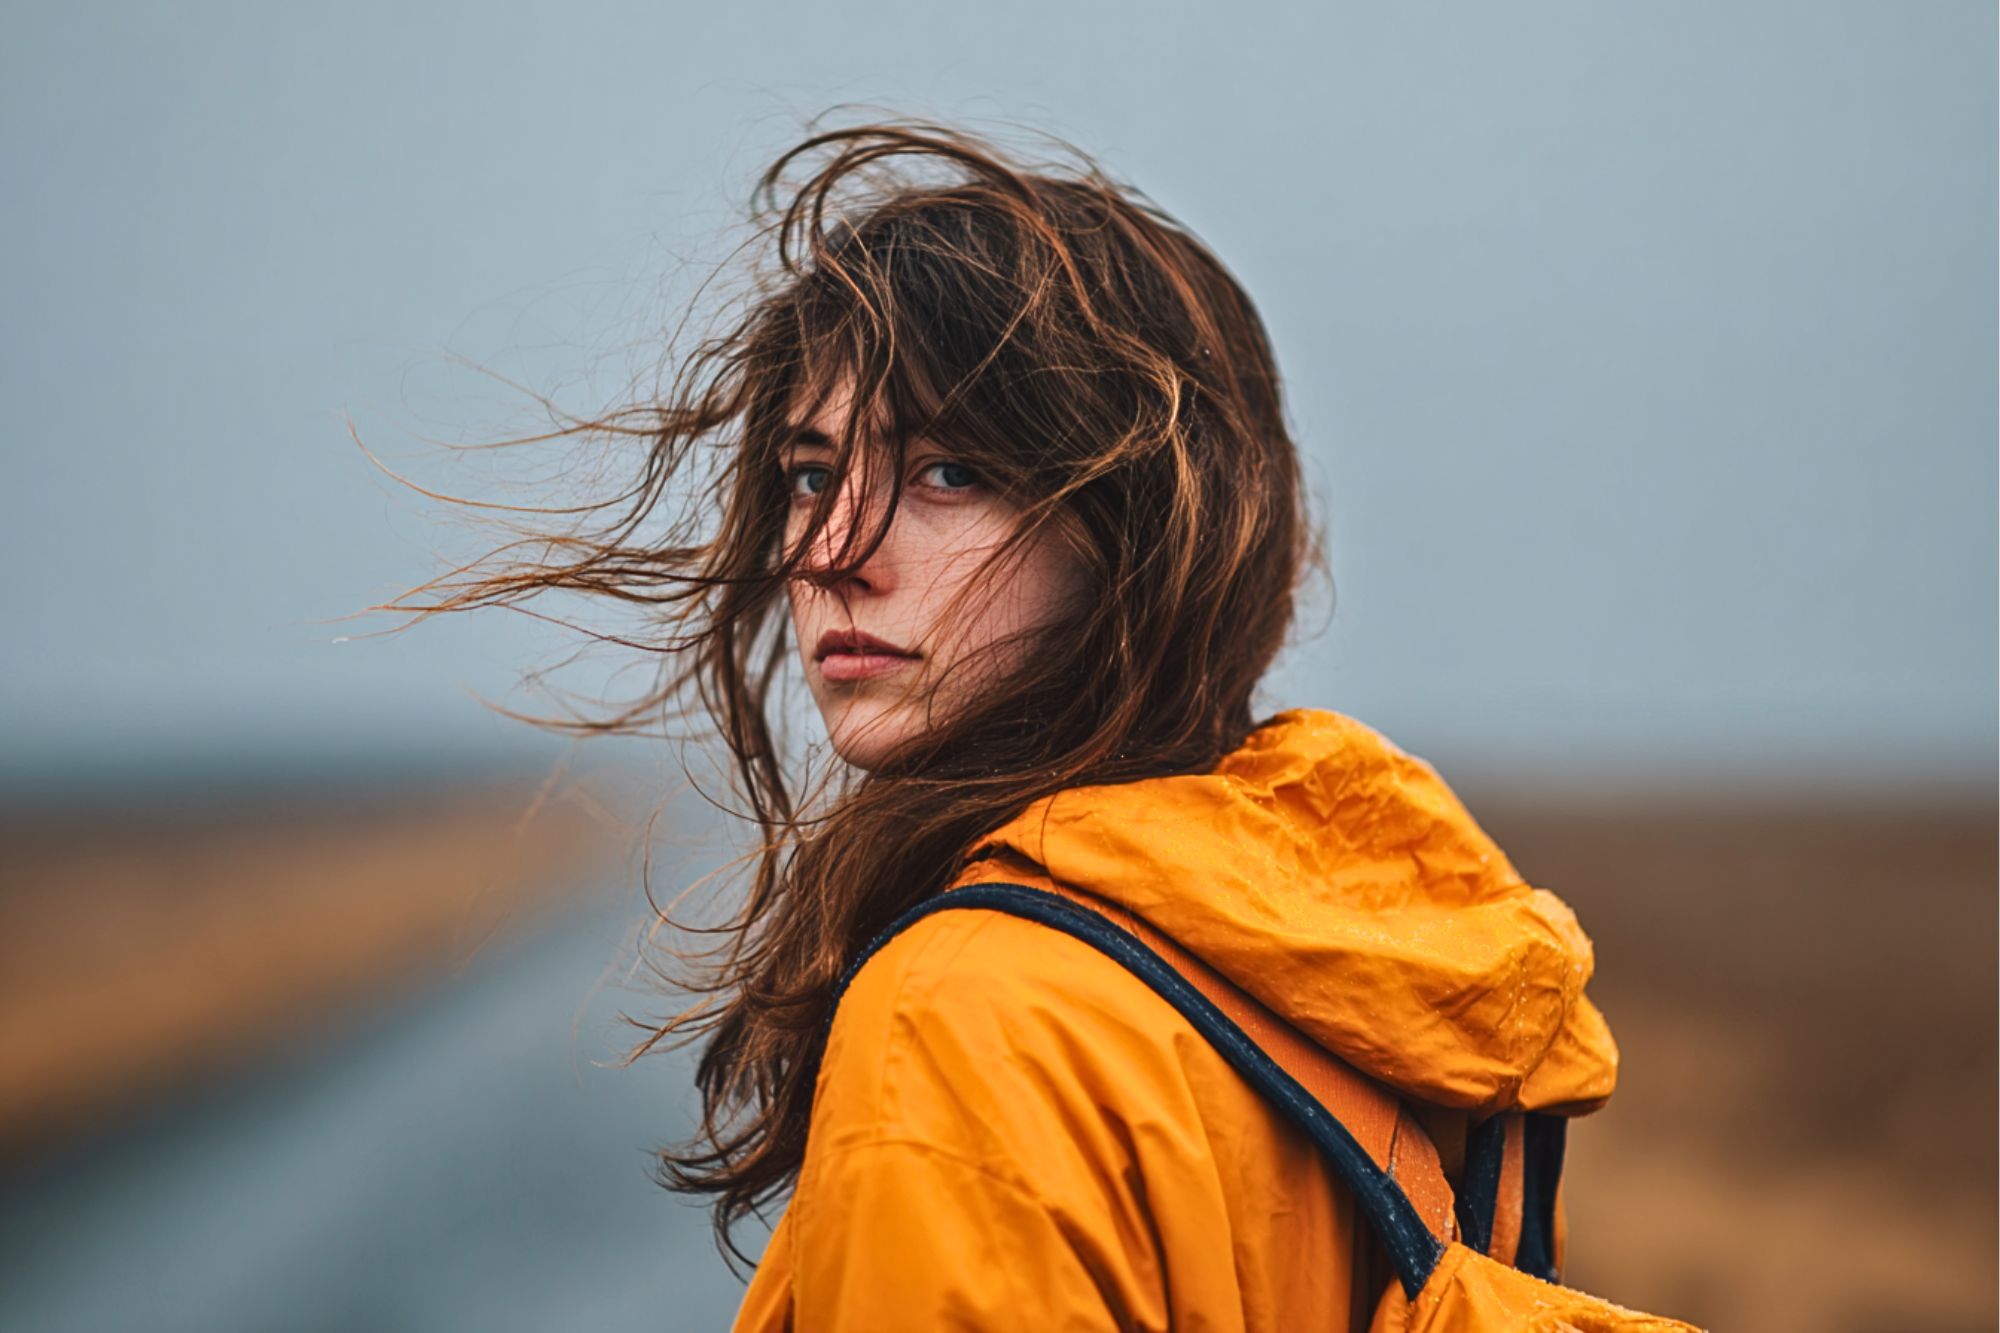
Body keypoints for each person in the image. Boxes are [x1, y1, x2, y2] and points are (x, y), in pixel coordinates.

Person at [393, 117, 1624, 1331]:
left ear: (1143, 532)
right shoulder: (1357, 964)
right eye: (811, 472)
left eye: (948, 473)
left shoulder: (965, 1014)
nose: (829, 554)